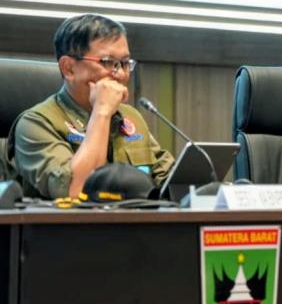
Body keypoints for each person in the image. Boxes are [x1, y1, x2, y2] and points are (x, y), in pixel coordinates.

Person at [6, 14, 174, 199]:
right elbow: (74, 192)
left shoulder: (130, 117)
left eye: (125, 63)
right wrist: (101, 112)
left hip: (134, 224)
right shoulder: (35, 124)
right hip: (67, 228)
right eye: (107, 62)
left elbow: (172, 180)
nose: (120, 74)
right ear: (69, 68)